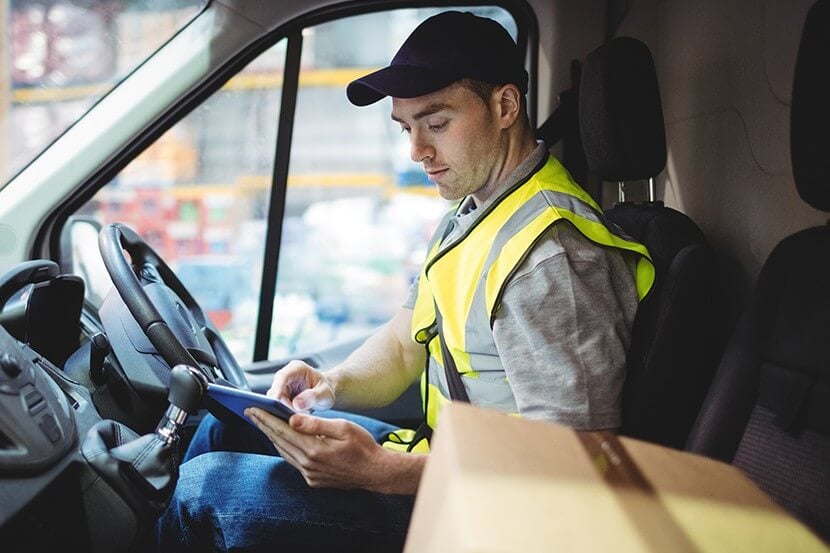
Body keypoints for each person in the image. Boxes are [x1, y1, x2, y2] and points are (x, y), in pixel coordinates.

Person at [154, 10, 653, 552]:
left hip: (498, 521)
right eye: (406, 127)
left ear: (505, 107)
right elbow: (402, 342)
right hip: (445, 467)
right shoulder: (477, 213)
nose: (416, 150)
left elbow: (574, 462)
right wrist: (331, 384)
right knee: (226, 427)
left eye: (436, 124)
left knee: (204, 490)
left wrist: (379, 472)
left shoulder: (550, 256)